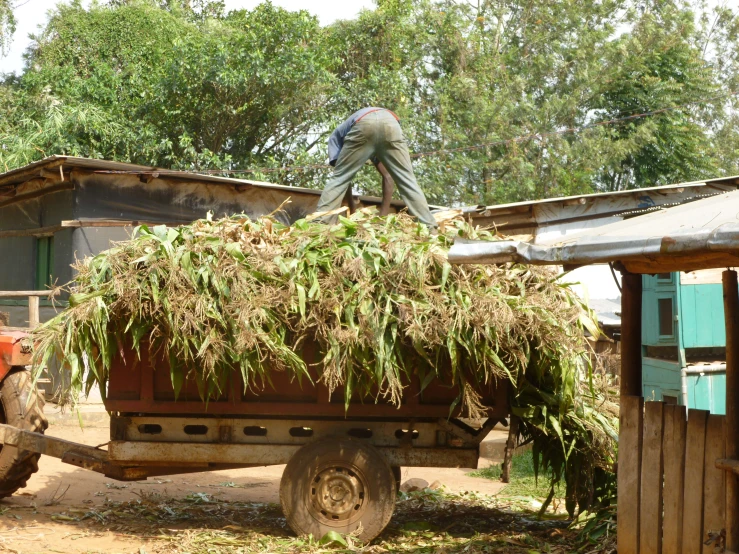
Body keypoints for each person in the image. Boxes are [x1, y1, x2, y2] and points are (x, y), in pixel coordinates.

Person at [314, 107, 437, 228]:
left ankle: (321, 224)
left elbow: (343, 180)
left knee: (339, 178)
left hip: (363, 124)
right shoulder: (371, 145)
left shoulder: (335, 138)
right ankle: (429, 227)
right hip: (391, 123)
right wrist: (382, 215)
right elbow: (388, 176)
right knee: (407, 180)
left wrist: (352, 212)